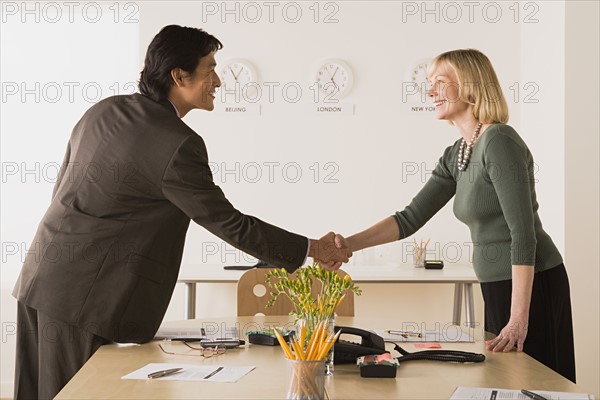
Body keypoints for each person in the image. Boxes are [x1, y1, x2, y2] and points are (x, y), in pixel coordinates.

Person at [12, 25, 351, 399]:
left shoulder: (104, 110)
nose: (218, 80)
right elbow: (229, 223)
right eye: (210, 69)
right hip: (84, 300)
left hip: (40, 278)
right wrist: (313, 249)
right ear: (179, 75)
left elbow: (62, 188)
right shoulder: (176, 143)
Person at [328, 49, 576, 382]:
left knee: (536, 383)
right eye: (429, 84)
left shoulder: (498, 141)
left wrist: (519, 317)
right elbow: (409, 217)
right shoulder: (458, 153)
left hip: (532, 285)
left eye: (440, 83)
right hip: (498, 285)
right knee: (506, 382)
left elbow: (523, 233)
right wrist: (347, 245)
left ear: (471, 86)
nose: (430, 92)